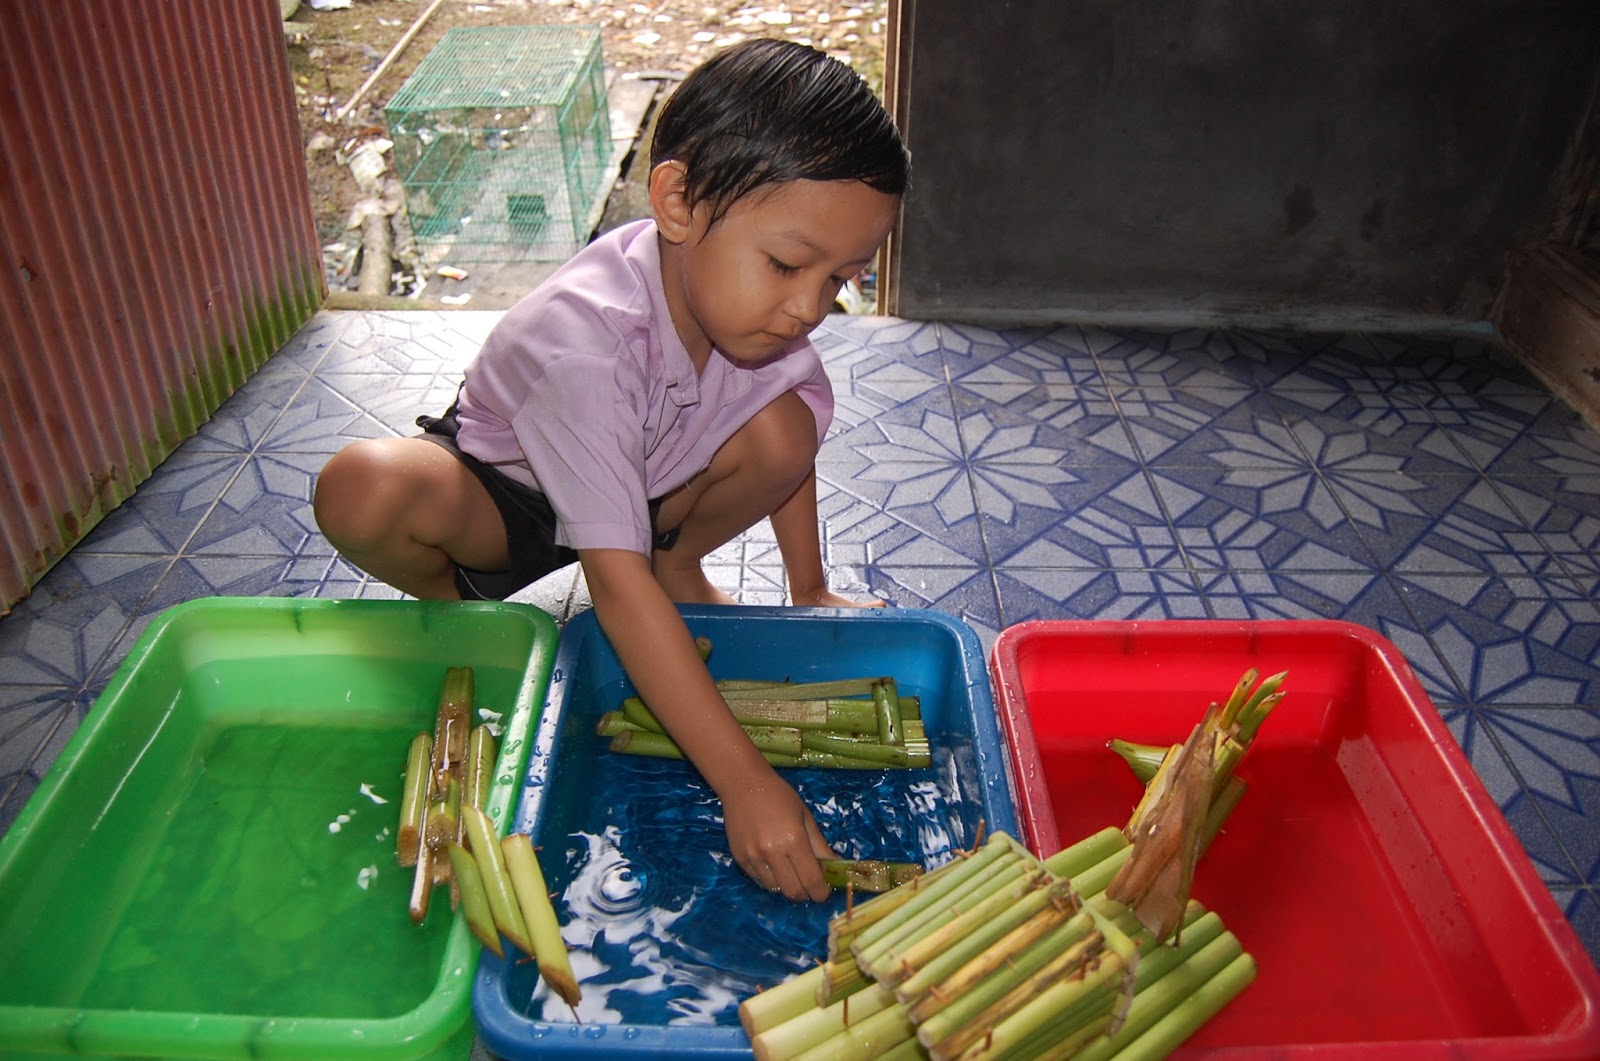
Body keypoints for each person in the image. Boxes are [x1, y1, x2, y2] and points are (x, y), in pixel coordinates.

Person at [312, 37, 910, 902]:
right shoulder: (586, 348)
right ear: (676, 201)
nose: (808, 307)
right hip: (509, 498)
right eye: (788, 264)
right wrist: (746, 783)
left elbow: (794, 452)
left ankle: (677, 556)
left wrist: (810, 585)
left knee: (785, 430)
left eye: (843, 280)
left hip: (645, 482)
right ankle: (457, 614)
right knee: (363, 488)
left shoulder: (753, 312)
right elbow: (612, 589)